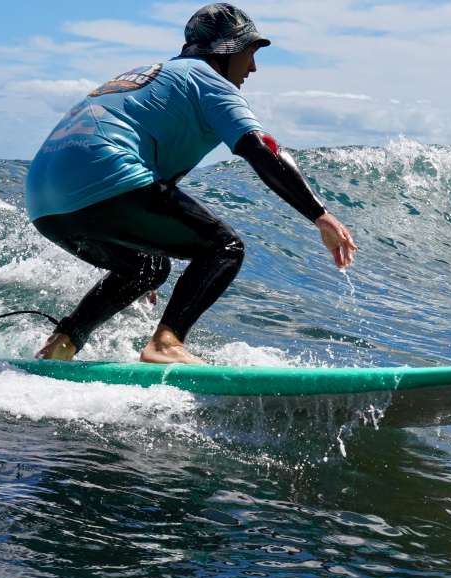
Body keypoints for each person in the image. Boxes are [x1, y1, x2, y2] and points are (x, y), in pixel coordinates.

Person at [25, 3, 357, 365]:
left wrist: (146, 246)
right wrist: (320, 215)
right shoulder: (208, 81)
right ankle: (166, 343)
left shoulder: (151, 74)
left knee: (148, 267)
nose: (254, 67)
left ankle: (62, 345)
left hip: (44, 202)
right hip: (107, 175)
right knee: (224, 247)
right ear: (226, 51)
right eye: (250, 53)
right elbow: (261, 149)